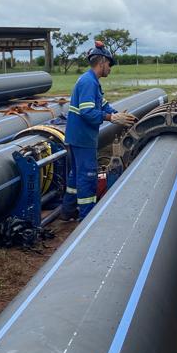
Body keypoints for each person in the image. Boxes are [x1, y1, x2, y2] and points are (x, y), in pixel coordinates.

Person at [61, 41, 136, 220]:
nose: (110, 68)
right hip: (83, 138)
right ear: (102, 62)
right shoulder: (89, 83)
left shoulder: (91, 81)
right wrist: (111, 118)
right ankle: (87, 218)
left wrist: (118, 115)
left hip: (78, 137)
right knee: (87, 176)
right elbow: (87, 112)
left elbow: (102, 105)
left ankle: (68, 211)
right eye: (109, 64)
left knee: (76, 175)